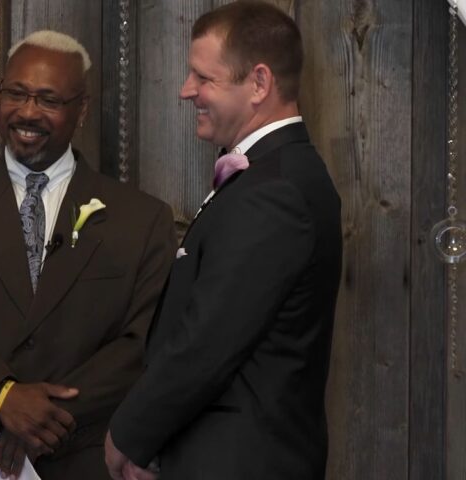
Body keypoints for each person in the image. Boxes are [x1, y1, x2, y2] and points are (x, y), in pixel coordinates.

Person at [0, 30, 176, 479]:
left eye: (48, 99)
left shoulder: (141, 220)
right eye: (16, 93)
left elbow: (143, 343)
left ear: (80, 109)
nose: (27, 111)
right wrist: (3, 398)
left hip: (81, 456)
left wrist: (41, 418)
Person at [104, 3, 342, 479]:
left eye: (203, 78)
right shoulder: (277, 176)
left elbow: (208, 340)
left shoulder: (275, 192)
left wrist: (128, 436)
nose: (185, 90)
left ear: (259, 83)